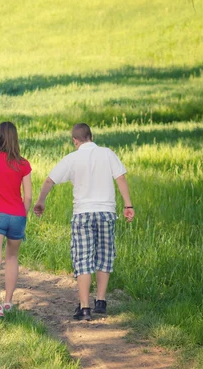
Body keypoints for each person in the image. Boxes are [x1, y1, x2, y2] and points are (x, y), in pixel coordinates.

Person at [33, 123, 134, 321]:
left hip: (83, 215)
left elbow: (49, 181)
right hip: (106, 213)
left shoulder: (72, 158)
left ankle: (85, 308)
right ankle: (102, 302)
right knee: (104, 255)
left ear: (74, 141)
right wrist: (128, 205)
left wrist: (40, 201)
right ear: (92, 136)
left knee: (83, 259)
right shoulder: (107, 153)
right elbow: (121, 178)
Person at [0, 122, 32, 317]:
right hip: (17, 215)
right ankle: (9, 301)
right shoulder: (23, 164)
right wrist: (22, 213)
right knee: (12, 258)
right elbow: (28, 196)